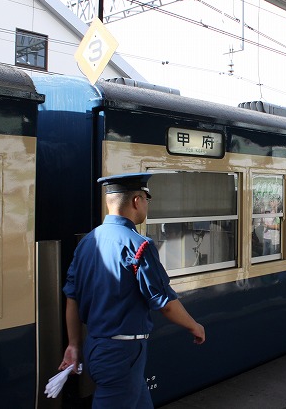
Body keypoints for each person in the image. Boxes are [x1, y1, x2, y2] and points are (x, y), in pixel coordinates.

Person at [58, 173, 205, 408]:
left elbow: (72, 297)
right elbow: (164, 302)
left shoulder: (88, 241)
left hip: (97, 345)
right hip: (122, 352)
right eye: (147, 199)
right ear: (137, 201)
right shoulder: (138, 245)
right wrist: (194, 326)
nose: (147, 204)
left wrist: (74, 344)